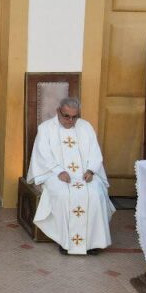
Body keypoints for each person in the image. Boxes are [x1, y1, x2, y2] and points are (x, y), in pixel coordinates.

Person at [27, 97, 115, 255]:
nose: (70, 120)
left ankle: (94, 242)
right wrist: (58, 171)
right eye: (66, 116)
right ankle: (65, 241)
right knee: (63, 195)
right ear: (58, 112)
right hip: (55, 174)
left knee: (96, 193)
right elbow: (43, 155)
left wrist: (91, 170)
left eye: (74, 117)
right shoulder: (45, 128)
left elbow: (95, 153)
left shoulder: (86, 127)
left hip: (84, 174)